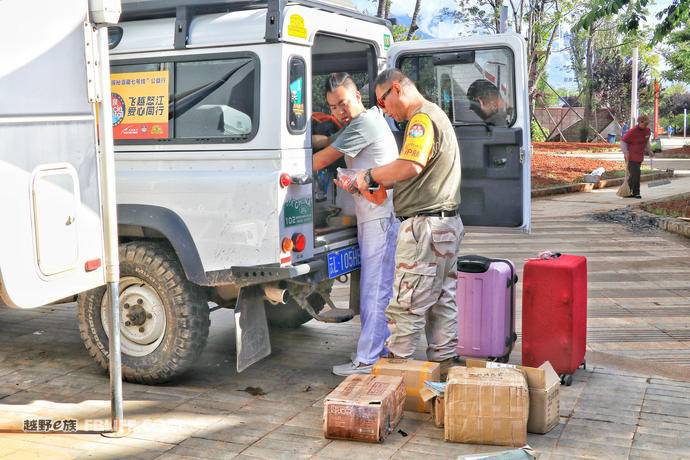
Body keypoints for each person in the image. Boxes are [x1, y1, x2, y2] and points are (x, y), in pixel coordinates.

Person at [355, 69, 463, 375]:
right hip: (445, 227)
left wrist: (368, 175)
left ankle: (392, 385)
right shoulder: (435, 116)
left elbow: (411, 165)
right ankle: (445, 382)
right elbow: (422, 172)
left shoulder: (421, 120)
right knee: (442, 306)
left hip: (425, 231)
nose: (386, 111)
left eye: (383, 102)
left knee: (406, 309)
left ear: (396, 88)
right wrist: (384, 188)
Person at [311, 73, 400, 376]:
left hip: (379, 216)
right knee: (379, 287)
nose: (339, 111)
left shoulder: (362, 124)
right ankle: (379, 350)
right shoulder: (368, 121)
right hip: (375, 214)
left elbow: (320, 160)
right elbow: (335, 142)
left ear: (358, 97)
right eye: (334, 107)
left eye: (343, 103)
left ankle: (368, 359)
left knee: (375, 288)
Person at [621, 114, 652, 199]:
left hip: (639, 156)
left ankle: (627, 192)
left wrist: (650, 150)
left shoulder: (647, 131)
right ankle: (636, 192)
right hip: (631, 156)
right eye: (644, 124)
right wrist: (625, 152)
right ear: (639, 122)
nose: (646, 126)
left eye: (647, 124)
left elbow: (647, 142)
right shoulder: (632, 131)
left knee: (633, 175)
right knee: (636, 173)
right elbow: (623, 142)